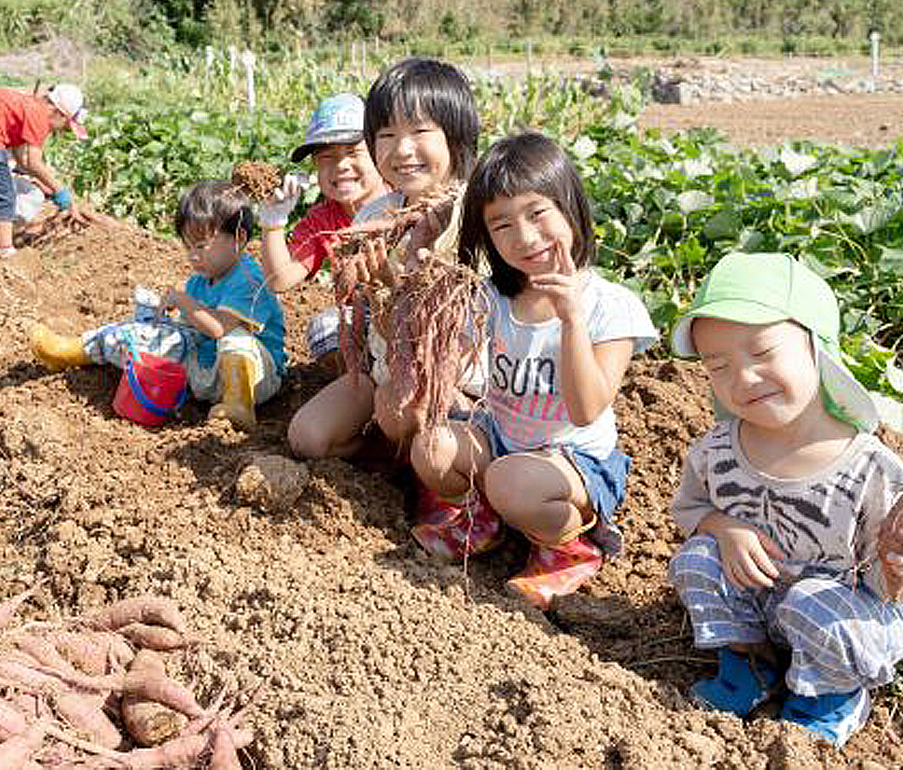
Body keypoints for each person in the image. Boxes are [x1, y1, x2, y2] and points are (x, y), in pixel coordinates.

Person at [668, 252, 903, 747]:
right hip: (765, 601)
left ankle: (833, 697)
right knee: (697, 559)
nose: (743, 379)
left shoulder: (869, 468)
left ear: (818, 346)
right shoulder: (715, 451)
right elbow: (689, 510)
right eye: (718, 366)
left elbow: (900, 585)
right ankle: (750, 663)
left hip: (846, 615)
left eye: (762, 352)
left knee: (810, 602)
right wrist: (724, 528)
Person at [408, 132, 657, 607]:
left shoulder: (609, 307)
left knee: (509, 481)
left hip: (573, 460)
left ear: (571, 208)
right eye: (501, 225)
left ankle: (568, 550)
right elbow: (450, 366)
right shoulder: (492, 298)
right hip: (502, 438)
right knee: (432, 445)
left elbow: (586, 410)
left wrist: (570, 319)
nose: (523, 237)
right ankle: (483, 520)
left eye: (537, 214)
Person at [287, 58, 478, 464]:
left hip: (462, 382)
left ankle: (445, 484)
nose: (402, 149)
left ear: (456, 137)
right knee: (307, 437)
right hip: (386, 366)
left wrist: (400, 286)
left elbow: (448, 340)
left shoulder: (478, 218)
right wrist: (381, 289)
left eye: (420, 131)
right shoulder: (375, 217)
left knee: (402, 406)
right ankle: (387, 456)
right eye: (387, 134)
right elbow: (380, 326)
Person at [29, 180, 286, 431]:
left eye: (201, 246)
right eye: (187, 247)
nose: (193, 256)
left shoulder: (249, 279)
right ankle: (72, 351)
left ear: (238, 238)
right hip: (204, 372)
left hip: (256, 380)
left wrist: (182, 300)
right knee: (147, 334)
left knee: (236, 337)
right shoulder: (199, 281)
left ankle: (238, 406)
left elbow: (220, 328)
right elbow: (191, 330)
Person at [256, 93, 387, 371]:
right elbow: (280, 280)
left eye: (353, 152)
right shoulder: (323, 220)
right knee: (325, 330)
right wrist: (273, 221)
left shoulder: (403, 199)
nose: (340, 165)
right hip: (364, 322)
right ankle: (362, 383)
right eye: (327, 157)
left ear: (380, 151)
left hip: (407, 318)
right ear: (315, 166)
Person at [0, 83, 86, 256]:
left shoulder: (28, 105)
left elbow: (23, 159)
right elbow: (34, 162)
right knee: (6, 196)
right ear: (58, 112)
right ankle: (6, 251)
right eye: (65, 124)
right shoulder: (40, 116)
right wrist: (60, 190)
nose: (61, 130)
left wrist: (41, 183)